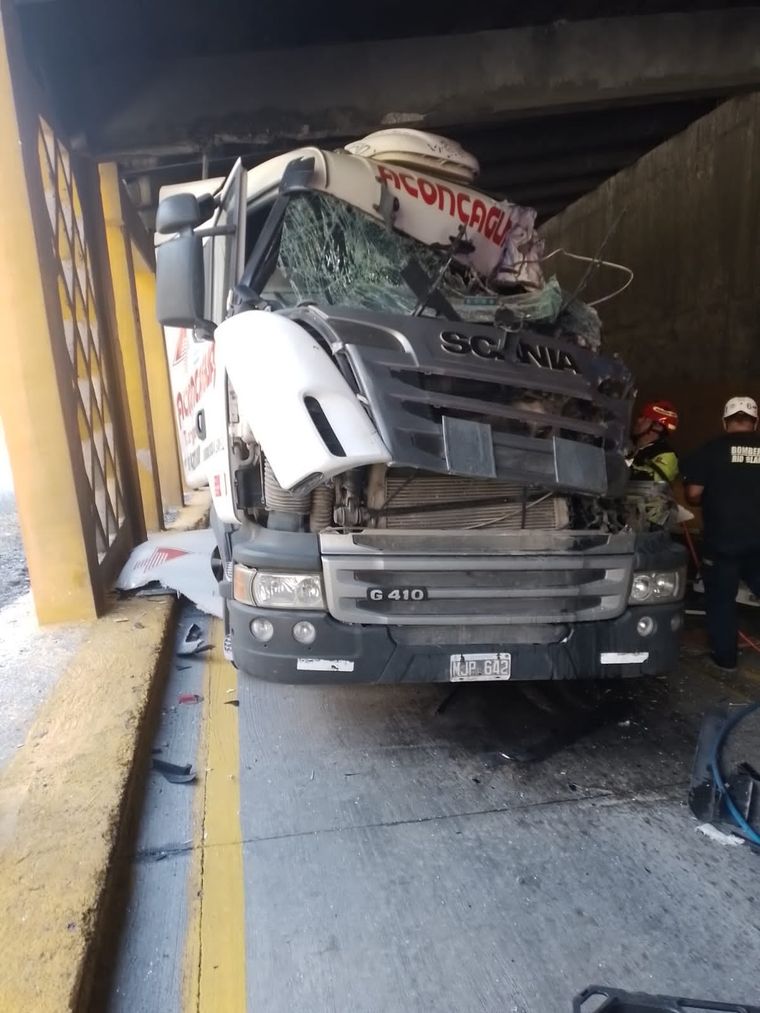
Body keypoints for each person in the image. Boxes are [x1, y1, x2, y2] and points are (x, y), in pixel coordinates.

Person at [682, 396, 760, 673]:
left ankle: (726, 659)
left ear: (725, 421)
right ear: (755, 421)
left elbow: (693, 494)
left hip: (723, 541)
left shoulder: (710, 450)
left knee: (721, 601)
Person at [629, 400, 680, 483]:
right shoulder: (627, 446)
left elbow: (652, 479)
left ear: (658, 426)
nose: (638, 421)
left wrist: (620, 466)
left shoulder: (667, 454)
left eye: (643, 418)